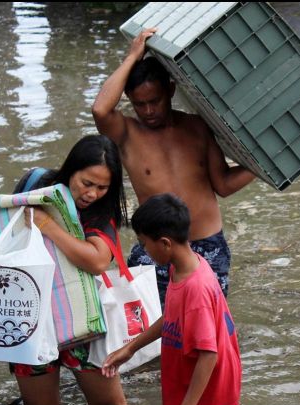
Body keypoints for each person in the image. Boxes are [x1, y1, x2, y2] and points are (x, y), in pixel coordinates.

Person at [92, 27, 256, 305]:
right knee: (152, 331)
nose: (148, 111)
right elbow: (100, 109)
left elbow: (224, 185)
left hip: (207, 245)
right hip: (157, 247)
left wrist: (259, 166)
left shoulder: (197, 126)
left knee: (208, 326)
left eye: (154, 101)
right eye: (139, 104)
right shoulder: (127, 134)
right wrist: (133, 57)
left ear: (170, 89)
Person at [102, 193, 241, 405]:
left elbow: (208, 355)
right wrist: (131, 347)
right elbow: (172, 318)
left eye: (145, 243)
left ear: (164, 243)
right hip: (195, 391)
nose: (144, 250)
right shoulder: (182, 267)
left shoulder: (197, 289)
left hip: (208, 397)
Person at [9, 134, 130, 405]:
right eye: (86, 183)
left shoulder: (102, 208)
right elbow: (6, 228)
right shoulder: (36, 184)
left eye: (102, 187)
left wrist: (48, 226)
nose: (92, 194)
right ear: (70, 170)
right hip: (30, 315)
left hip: (81, 319)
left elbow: (98, 261)